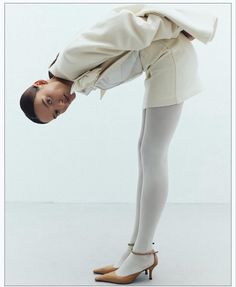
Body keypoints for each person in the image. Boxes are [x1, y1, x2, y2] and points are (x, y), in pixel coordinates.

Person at [19, 4, 217, 284]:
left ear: (41, 82)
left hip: (170, 57)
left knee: (154, 154)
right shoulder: (73, 77)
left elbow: (123, 26)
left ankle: (143, 252)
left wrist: (179, 28)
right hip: (160, 62)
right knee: (146, 153)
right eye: (56, 113)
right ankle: (134, 250)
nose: (60, 105)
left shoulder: (71, 58)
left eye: (48, 100)